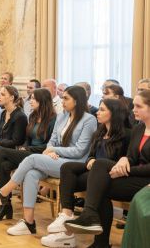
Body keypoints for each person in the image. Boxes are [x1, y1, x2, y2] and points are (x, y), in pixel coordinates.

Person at [0, 85, 97, 236]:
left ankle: (3, 193)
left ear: (78, 100)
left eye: (66, 98)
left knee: (32, 158)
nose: (62, 101)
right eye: (62, 98)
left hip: (75, 163)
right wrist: (50, 151)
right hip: (56, 159)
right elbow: (52, 141)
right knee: (31, 174)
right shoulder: (62, 116)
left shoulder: (89, 120)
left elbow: (80, 150)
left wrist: (54, 150)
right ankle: (28, 223)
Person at [64, 90, 150, 248]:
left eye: (139, 106)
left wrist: (128, 168)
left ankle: (89, 216)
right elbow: (131, 157)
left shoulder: (132, 131)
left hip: (146, 182)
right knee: (100, 180)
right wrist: (125, 159)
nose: (133, 109)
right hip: (134, 175)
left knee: (101, 170)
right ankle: (100, 242)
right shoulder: (139, 129)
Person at [41, 98, 130, 248]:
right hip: (93, 170)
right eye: (99, 109)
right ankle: (66, 214)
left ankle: (80, 232)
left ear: (113, 113)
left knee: (93, 182)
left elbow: (125, 161)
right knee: (67, 168)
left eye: (102, 110)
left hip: (109, 174)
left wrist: (97, 162)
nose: (98, 112)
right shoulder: (99, 132)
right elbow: (92, 154)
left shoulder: (126, 135)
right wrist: (91, 158)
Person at [0, 88, 57, 218]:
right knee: (4, 165)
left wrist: (27, 149)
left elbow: (49, 145)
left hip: (40, 155)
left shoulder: (53, 119)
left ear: (43, 101)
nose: (31, 101)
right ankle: (5, 207)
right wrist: (25, 147)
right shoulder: (33, 115)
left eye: (34, 99)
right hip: (26, 152)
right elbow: (26, 139)